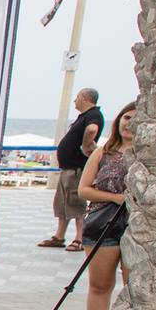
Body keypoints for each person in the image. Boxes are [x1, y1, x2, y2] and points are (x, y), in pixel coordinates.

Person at [73, 100, 136, 310]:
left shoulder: (151, 155)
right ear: (118, 120)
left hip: (137, 227)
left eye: (136, 118)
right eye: (126, 117)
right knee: (100, 284)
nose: (130, 123)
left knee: (135, 286)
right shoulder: (103, 152)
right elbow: (84, 189)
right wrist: (115, 198)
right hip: (103, 224)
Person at [39, 87, 104, 252]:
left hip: (77, 167)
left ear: (84, 98)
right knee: (62, 203)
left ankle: (79, 238)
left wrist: (86, 144)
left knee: (76, 203)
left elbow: (92, 130)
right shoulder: (84, 116)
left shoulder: (93, 114)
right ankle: (59, 236)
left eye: (77, 97)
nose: (75, 100)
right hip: (68, 168)